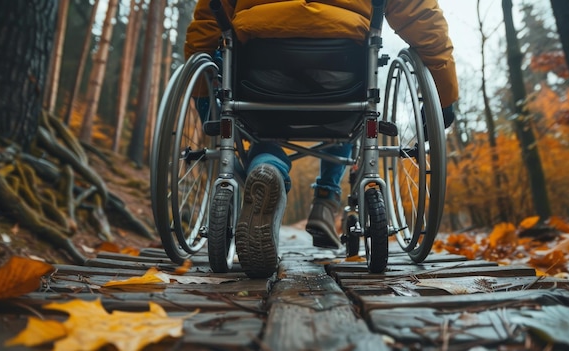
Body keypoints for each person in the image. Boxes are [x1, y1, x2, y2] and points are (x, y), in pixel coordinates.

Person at [185, 0, 459, 277]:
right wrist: (443, 93)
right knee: (356, 110)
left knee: (254, 116)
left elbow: (210, 15)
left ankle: (266, 165)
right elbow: (421, 15)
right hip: (344, 78)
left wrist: (201, 93)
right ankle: (326, 201)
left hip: (257, 76)